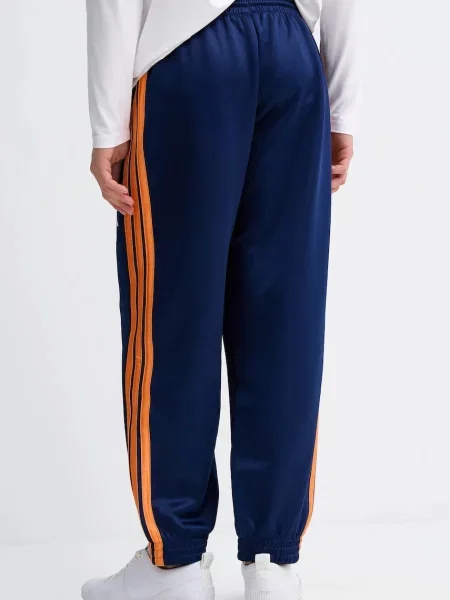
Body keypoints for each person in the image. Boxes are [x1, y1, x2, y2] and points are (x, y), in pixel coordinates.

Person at [83, 0, 359, 598]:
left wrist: (108, 125)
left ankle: (176, 563)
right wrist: (341, 103)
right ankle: (272, 565)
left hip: (189, 53)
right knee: (286, 318)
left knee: (173, 313)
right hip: (292, 54)